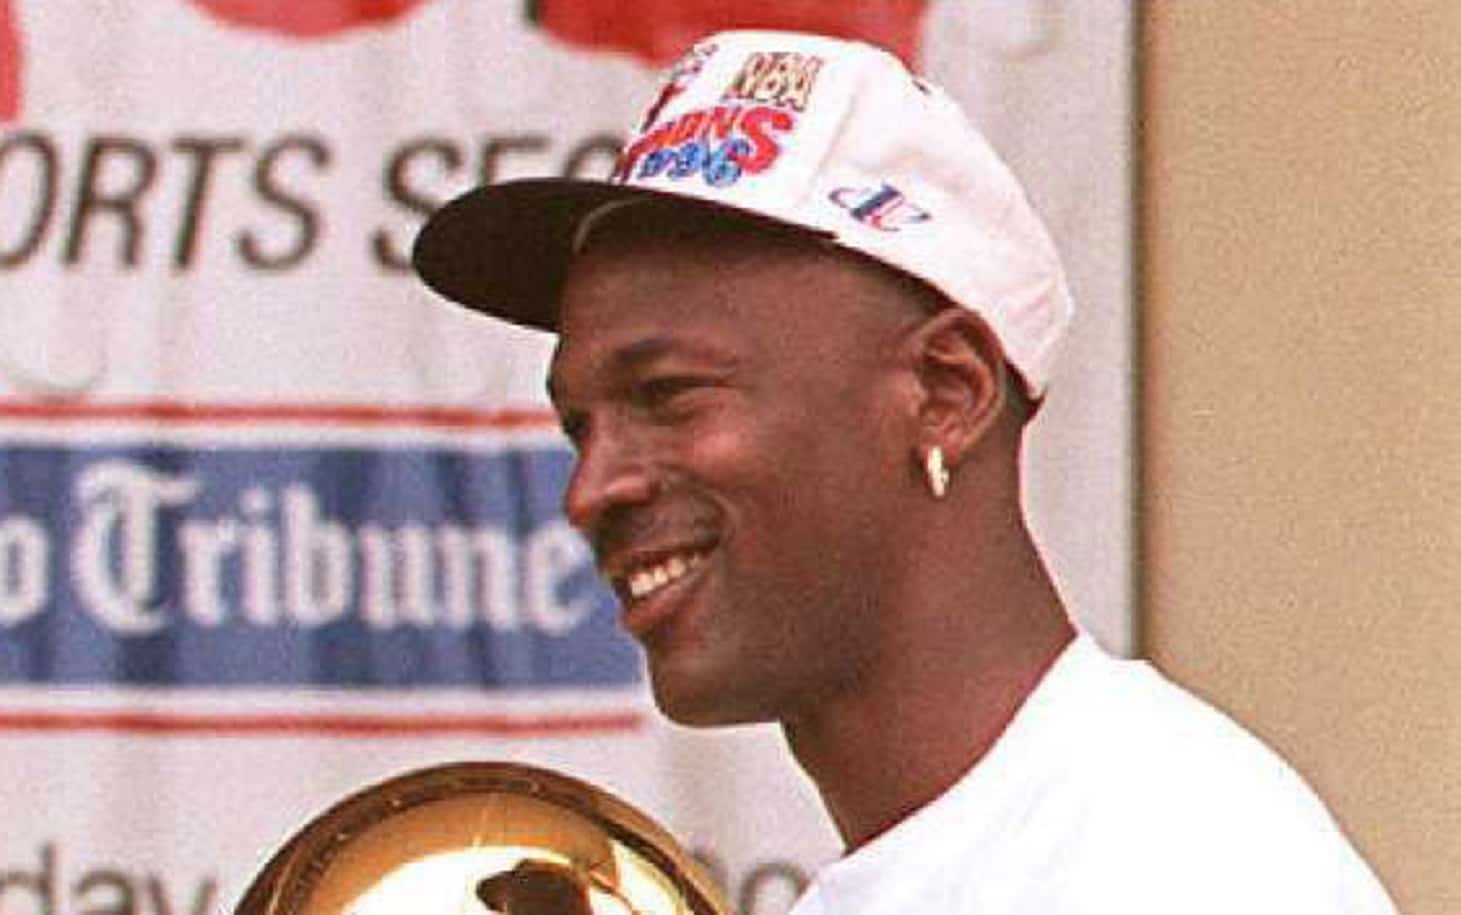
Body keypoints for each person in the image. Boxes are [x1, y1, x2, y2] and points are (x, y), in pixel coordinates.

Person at [413, 29, 1398, 915]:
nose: (590, 491)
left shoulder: (1178, 865)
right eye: (578, 426)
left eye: (669, 395)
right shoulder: (959, 862)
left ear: (944, 390)